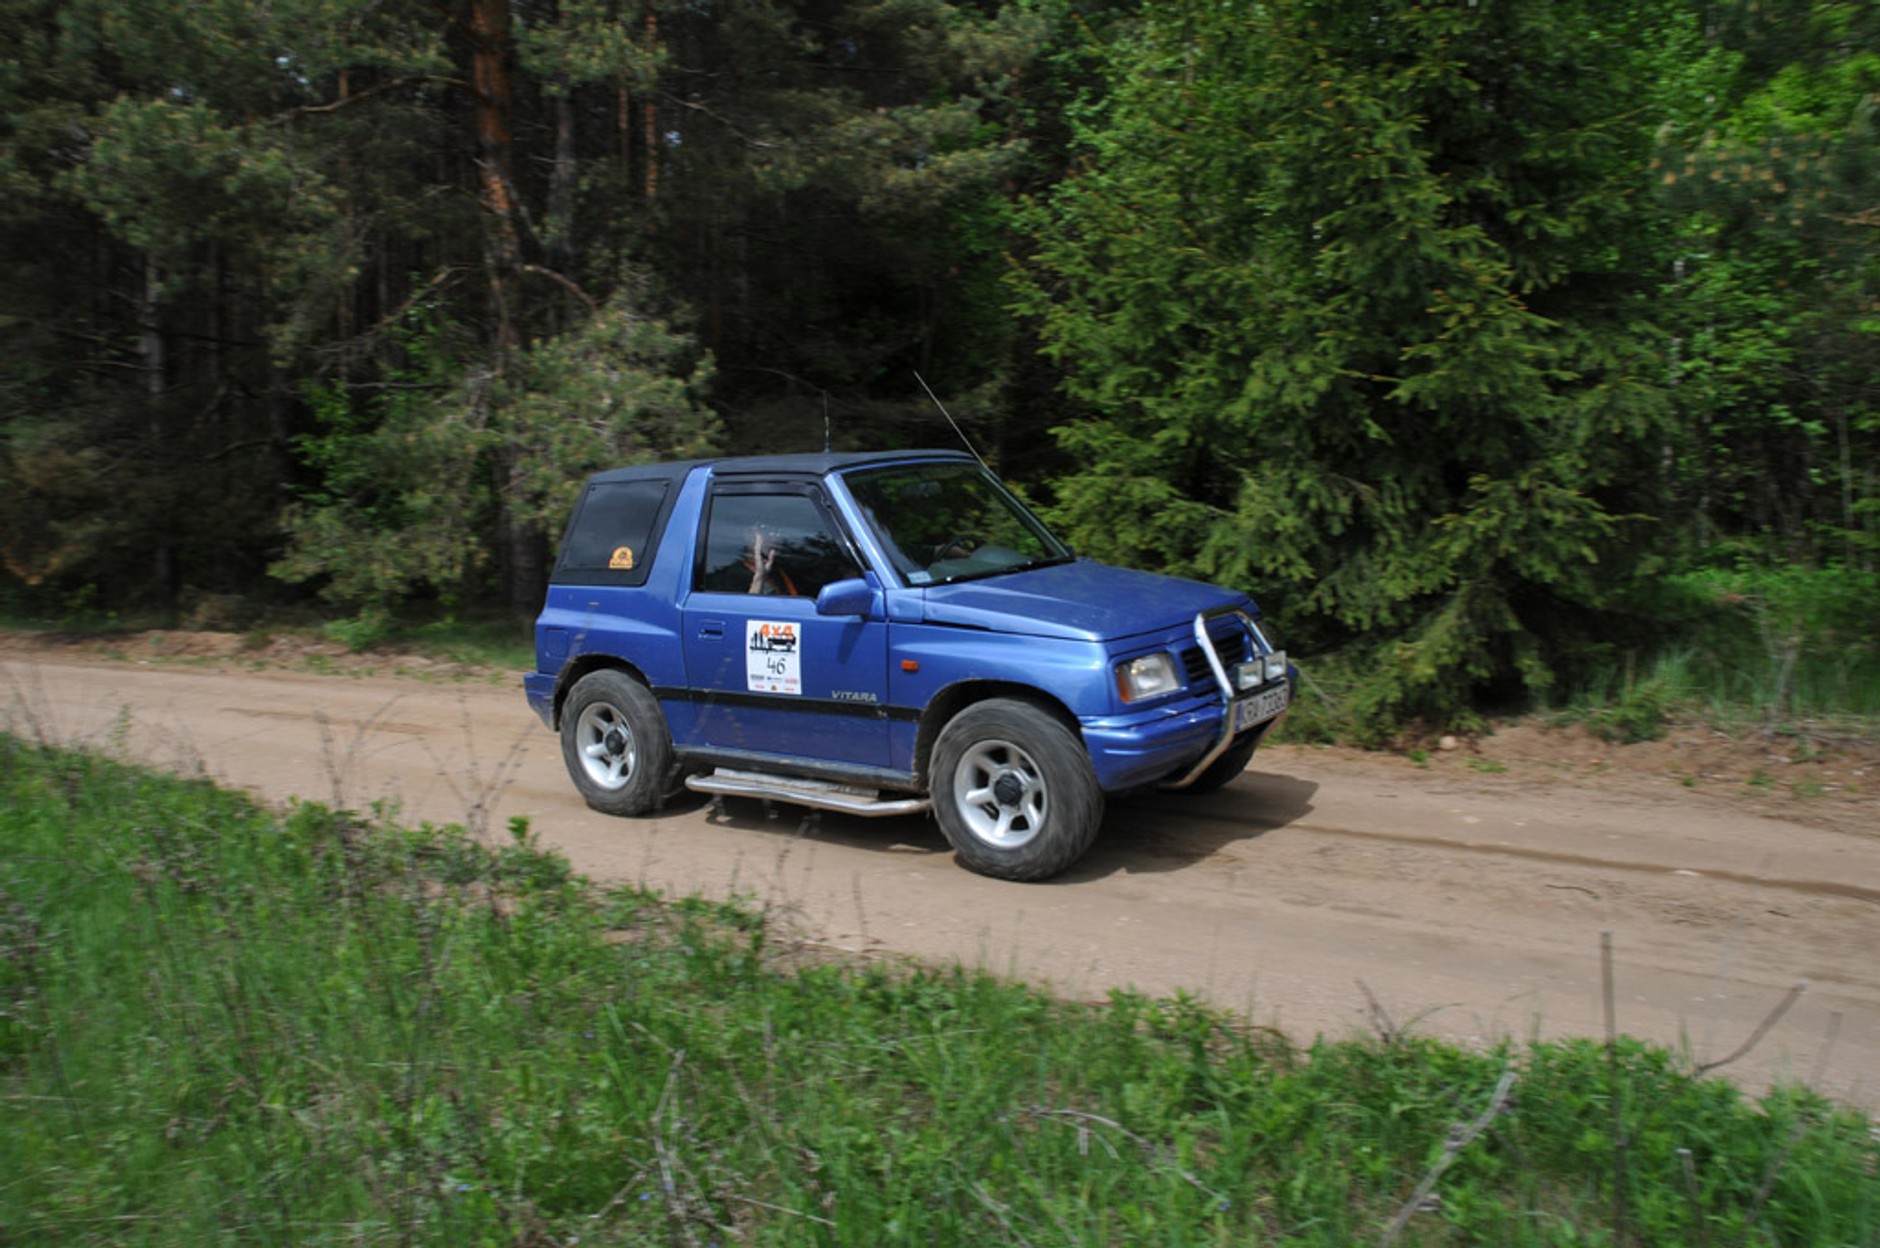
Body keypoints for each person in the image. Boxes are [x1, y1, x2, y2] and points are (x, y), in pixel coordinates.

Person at [747, 525, 798, 595]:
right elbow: (750, 604)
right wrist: (760, 575)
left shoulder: (780, 570)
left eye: (776, 533)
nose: (774, 538)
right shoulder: (735, 574)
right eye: (766, 532)